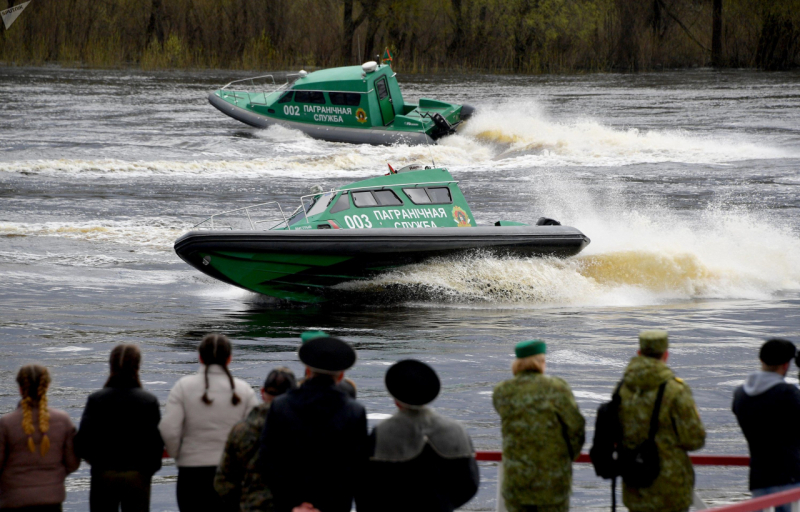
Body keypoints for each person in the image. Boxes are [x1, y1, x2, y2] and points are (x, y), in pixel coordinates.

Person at [259, 336, 367, 512]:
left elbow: (268, 460)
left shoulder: (280, 406)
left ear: (307, 371)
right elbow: (357, 470)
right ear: (341, 376)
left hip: (288, 505)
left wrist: (293, 503)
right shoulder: (354, 411)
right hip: (334, 505)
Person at [361, 359, 479, 512]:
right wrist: (444, 505)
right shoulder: (456, 430)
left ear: (396, 400)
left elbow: (367, 486)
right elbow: (470, 483)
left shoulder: (381, 431)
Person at [159, 334, 258, 512]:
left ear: (200, 357)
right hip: (231, 475)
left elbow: (169, 430)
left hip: (192, 475)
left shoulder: (183, 387)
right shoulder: (244, 390)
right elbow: (256, 434)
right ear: (229, 359)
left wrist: (178, 455)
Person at [618, 330, 706, 512]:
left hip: (636, 485)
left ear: (639, 353)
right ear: (666, 354)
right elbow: (694, 440)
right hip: (671, 487)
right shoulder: (676, 390)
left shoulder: (622, 389)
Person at [493, 340, 585, 512]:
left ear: (517, 363)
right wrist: (567, 458)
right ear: (541, 362)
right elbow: (576, 427)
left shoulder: (502, 391)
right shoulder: (557, 388)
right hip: (553, 484)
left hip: (517, 484)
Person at [75, 344, 164, 512]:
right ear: (137, 366)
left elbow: (82, 442)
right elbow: (156, 443)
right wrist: (149, 470)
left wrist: (95, 462)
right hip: (138, 474)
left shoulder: (96, 400)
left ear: (111, 365)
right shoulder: (148, 401)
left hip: (103, 473)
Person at [215, 367, 297, 512]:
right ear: (294, 395)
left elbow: (223, 482)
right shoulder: (303, 429)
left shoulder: (240, 430)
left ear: (262, 392)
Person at [733, 338, 800, 512]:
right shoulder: (788, 394)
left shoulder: (740, 395)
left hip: (759, 476)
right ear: (786, 365)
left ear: (761, 360)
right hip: (789, 476)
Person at [0, 365, 80, 511]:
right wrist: (55, 476)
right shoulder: (62, 420)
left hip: (15, 500)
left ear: (20, 389)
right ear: (47, 387)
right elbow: (73, 463)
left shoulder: (6, 424)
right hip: (51, 500)